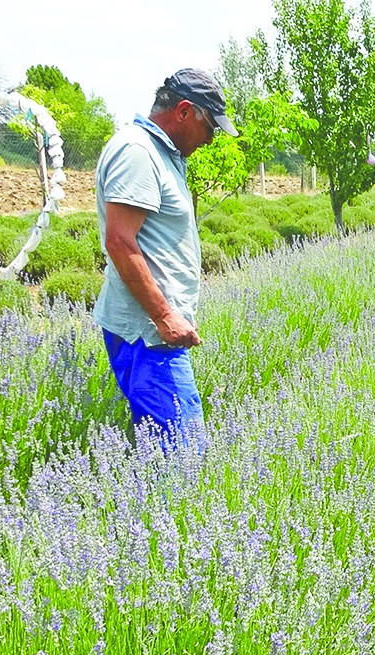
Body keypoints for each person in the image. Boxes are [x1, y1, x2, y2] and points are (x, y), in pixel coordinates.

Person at [93, 68, 237, 446]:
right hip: (148, 336)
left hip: (154, 333)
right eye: (211, 127)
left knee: (168, 451)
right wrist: (164, 315)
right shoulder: (137, 152)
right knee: (183, 457)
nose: (211, 139)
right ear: (185, 111)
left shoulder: (160, 153)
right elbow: (120, 241)